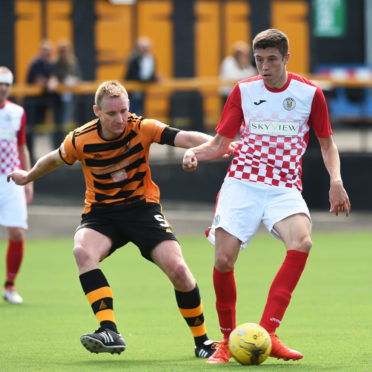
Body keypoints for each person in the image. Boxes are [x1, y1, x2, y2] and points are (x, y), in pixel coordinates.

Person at [8, 80, 235, 357]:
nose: (120, 119)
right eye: (112, 113)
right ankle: (108, 330)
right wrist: (28, 175)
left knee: (179, 270)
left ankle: (202, 342)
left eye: (124, 111)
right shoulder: (80, 139)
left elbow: (186, 137)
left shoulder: (142, 127)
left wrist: (223, 145)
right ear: (97, 112)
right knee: (82, 251)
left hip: (143, 210)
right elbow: (54, 159)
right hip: (101, 214)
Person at [183, 29, 351, 364]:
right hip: (242, 183)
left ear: (287, 58)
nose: (264, 67)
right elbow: (219, 143)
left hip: (284, 187)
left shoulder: (309, 94)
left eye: (271, 59)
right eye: (259, 60)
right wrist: (195, 155)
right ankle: (227, 343)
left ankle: (269, 332)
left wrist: (336, 180)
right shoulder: (243, 91)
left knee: (302, 241)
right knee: (223, 260)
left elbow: (327, 145)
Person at [0, 66, 33, 304]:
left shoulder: (17, 111)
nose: (2, 88)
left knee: (17, 232)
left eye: (6, 84)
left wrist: (29, 177)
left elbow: (21, 146)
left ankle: (10, 286)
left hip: (11, 178)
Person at [24, 39, 58, 163]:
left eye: (49, 51)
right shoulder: (35, 63)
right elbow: (38, 80)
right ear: (41, 51)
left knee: (42, 130)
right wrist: (48, 82)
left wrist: (52, 81)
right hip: (32, 104)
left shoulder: (50, 64)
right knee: (30, 131)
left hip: (42, 104)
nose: (47, 53)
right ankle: (30, 156)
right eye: (45, 51)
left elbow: (54, 78)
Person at [52, 38, 82, 147]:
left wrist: (74, 80)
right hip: (58, 98)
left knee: (68, 123)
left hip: (71, 98)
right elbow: (55, 76)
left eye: (66, 50)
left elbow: (79, 76)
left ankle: (67, 146)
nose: (64, 52)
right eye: (62, 50)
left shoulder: (73, 61)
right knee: (58, 123)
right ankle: (58, 146)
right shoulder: (56, 63)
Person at [124, 36, 158, 116]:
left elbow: (150, 74)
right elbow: (133, 75)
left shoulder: (151, 59)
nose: (144, 50)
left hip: (142, 88)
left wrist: (155, 78)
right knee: (130, 109)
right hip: (131, 89)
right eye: (142, 47)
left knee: (140, 110)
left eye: (146, 48)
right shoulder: (133, 58)